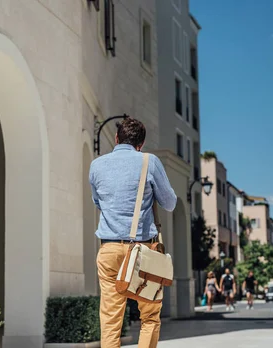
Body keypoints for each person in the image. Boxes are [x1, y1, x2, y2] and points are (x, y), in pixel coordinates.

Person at [90, 117, 177, 348]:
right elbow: (169, 203)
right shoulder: (150, 162)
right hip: (143, 251)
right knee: (149, 316)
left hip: (109, 249)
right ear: (141, 143)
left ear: (117, 138)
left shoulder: (96, 165)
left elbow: (98, 202)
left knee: (110, 320)